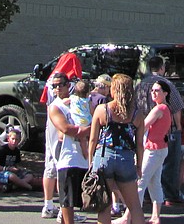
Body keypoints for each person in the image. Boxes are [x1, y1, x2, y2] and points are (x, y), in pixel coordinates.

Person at [88, 73, 143, 224]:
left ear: (113, 90)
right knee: (134, 206)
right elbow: (139, 144)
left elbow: (93, 139)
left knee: (104, 205)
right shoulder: (137, 115)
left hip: (104, 155)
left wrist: (90, 159)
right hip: (126, 158)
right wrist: (139, 165)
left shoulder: (102, 110)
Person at [132, 56, 184, 206]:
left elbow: (135, 107)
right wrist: (178, 129)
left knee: (149, 166)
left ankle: (150, 198)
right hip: (164, 130)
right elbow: (176, 108)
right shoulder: (166, 84)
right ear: (162, 68)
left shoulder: (141, 85)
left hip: (145, 130)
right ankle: (170, 196)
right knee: (168, 165)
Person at [41, 52, 83, 219]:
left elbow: (46, 100)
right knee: (63, 165)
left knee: (50, 163)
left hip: (50, 121)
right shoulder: (69, 81)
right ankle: (63, 210)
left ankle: (48, 205)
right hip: (63, 122)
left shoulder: (51, 80)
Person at [48, 72, 92, 224]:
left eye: (60, 85)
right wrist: (88, 130)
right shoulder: (55, 107)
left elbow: (93, 119)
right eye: (54, 86)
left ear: (68, 85)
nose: (57, 88)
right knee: (68, 201)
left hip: (86, 159)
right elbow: (66, 129)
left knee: (92, 199)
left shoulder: (80, 101)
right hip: (67, 158)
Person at [137, 79, 172, 224]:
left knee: (140, 182)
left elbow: (143, 126)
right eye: (152, 90)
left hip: (153, 150)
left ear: (165, 93)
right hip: (159, 149)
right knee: (154, 182)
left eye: (157, 90)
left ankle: (131, 216)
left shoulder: (159, 109)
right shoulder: (164, 108)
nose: (153, 93)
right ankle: (156, 216)